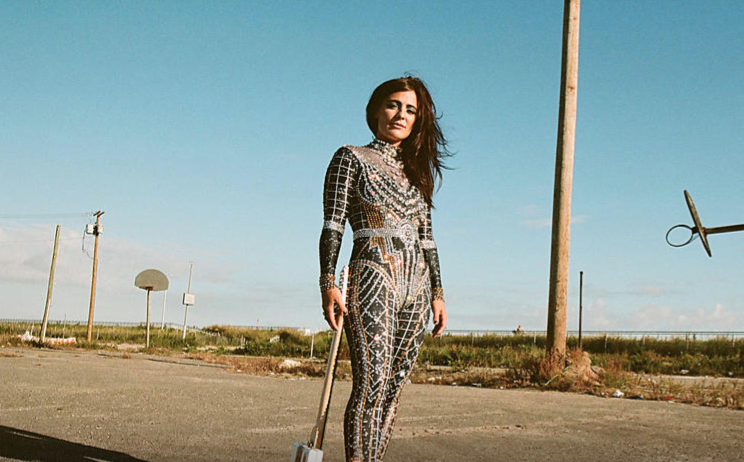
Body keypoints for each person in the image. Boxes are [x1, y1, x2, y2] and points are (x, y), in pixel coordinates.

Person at [319, 76, 450, 461]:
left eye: (410, 110)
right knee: (370, 385)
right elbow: (332, 225)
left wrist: (438, 293)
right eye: (393, 105)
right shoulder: (350, 157)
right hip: (372, 275)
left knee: (393, 389)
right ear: (376, 109)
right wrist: (328, 281)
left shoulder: (418, 174)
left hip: (417, 287)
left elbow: (428, 240)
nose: (400, 115)